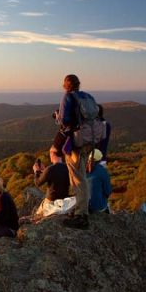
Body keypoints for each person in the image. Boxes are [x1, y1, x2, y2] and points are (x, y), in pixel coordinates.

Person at [57, 74, 94, 229]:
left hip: (76, 143)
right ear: (78, 84)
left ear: (66, 85)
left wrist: (57, 117)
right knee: (79, 176)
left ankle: (82, 215)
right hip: (88, 139)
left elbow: (64, 120)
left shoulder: (68, 97)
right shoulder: (87, 96)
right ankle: (80, 207)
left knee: (78, 178)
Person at [32, 147, 71, 214]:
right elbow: (58, 175)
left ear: (53, 154)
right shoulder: (68, 168)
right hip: (64, 200)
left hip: (51, 201)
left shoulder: (50, 169)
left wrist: (36, 171)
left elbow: (37, 183)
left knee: (37, 214)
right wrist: (44, 171)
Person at [87, 149, 112, 213]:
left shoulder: (83, 169)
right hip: (98, 207)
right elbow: (108, 191)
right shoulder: (102, 171)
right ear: (100, 160)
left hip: (85, 206)